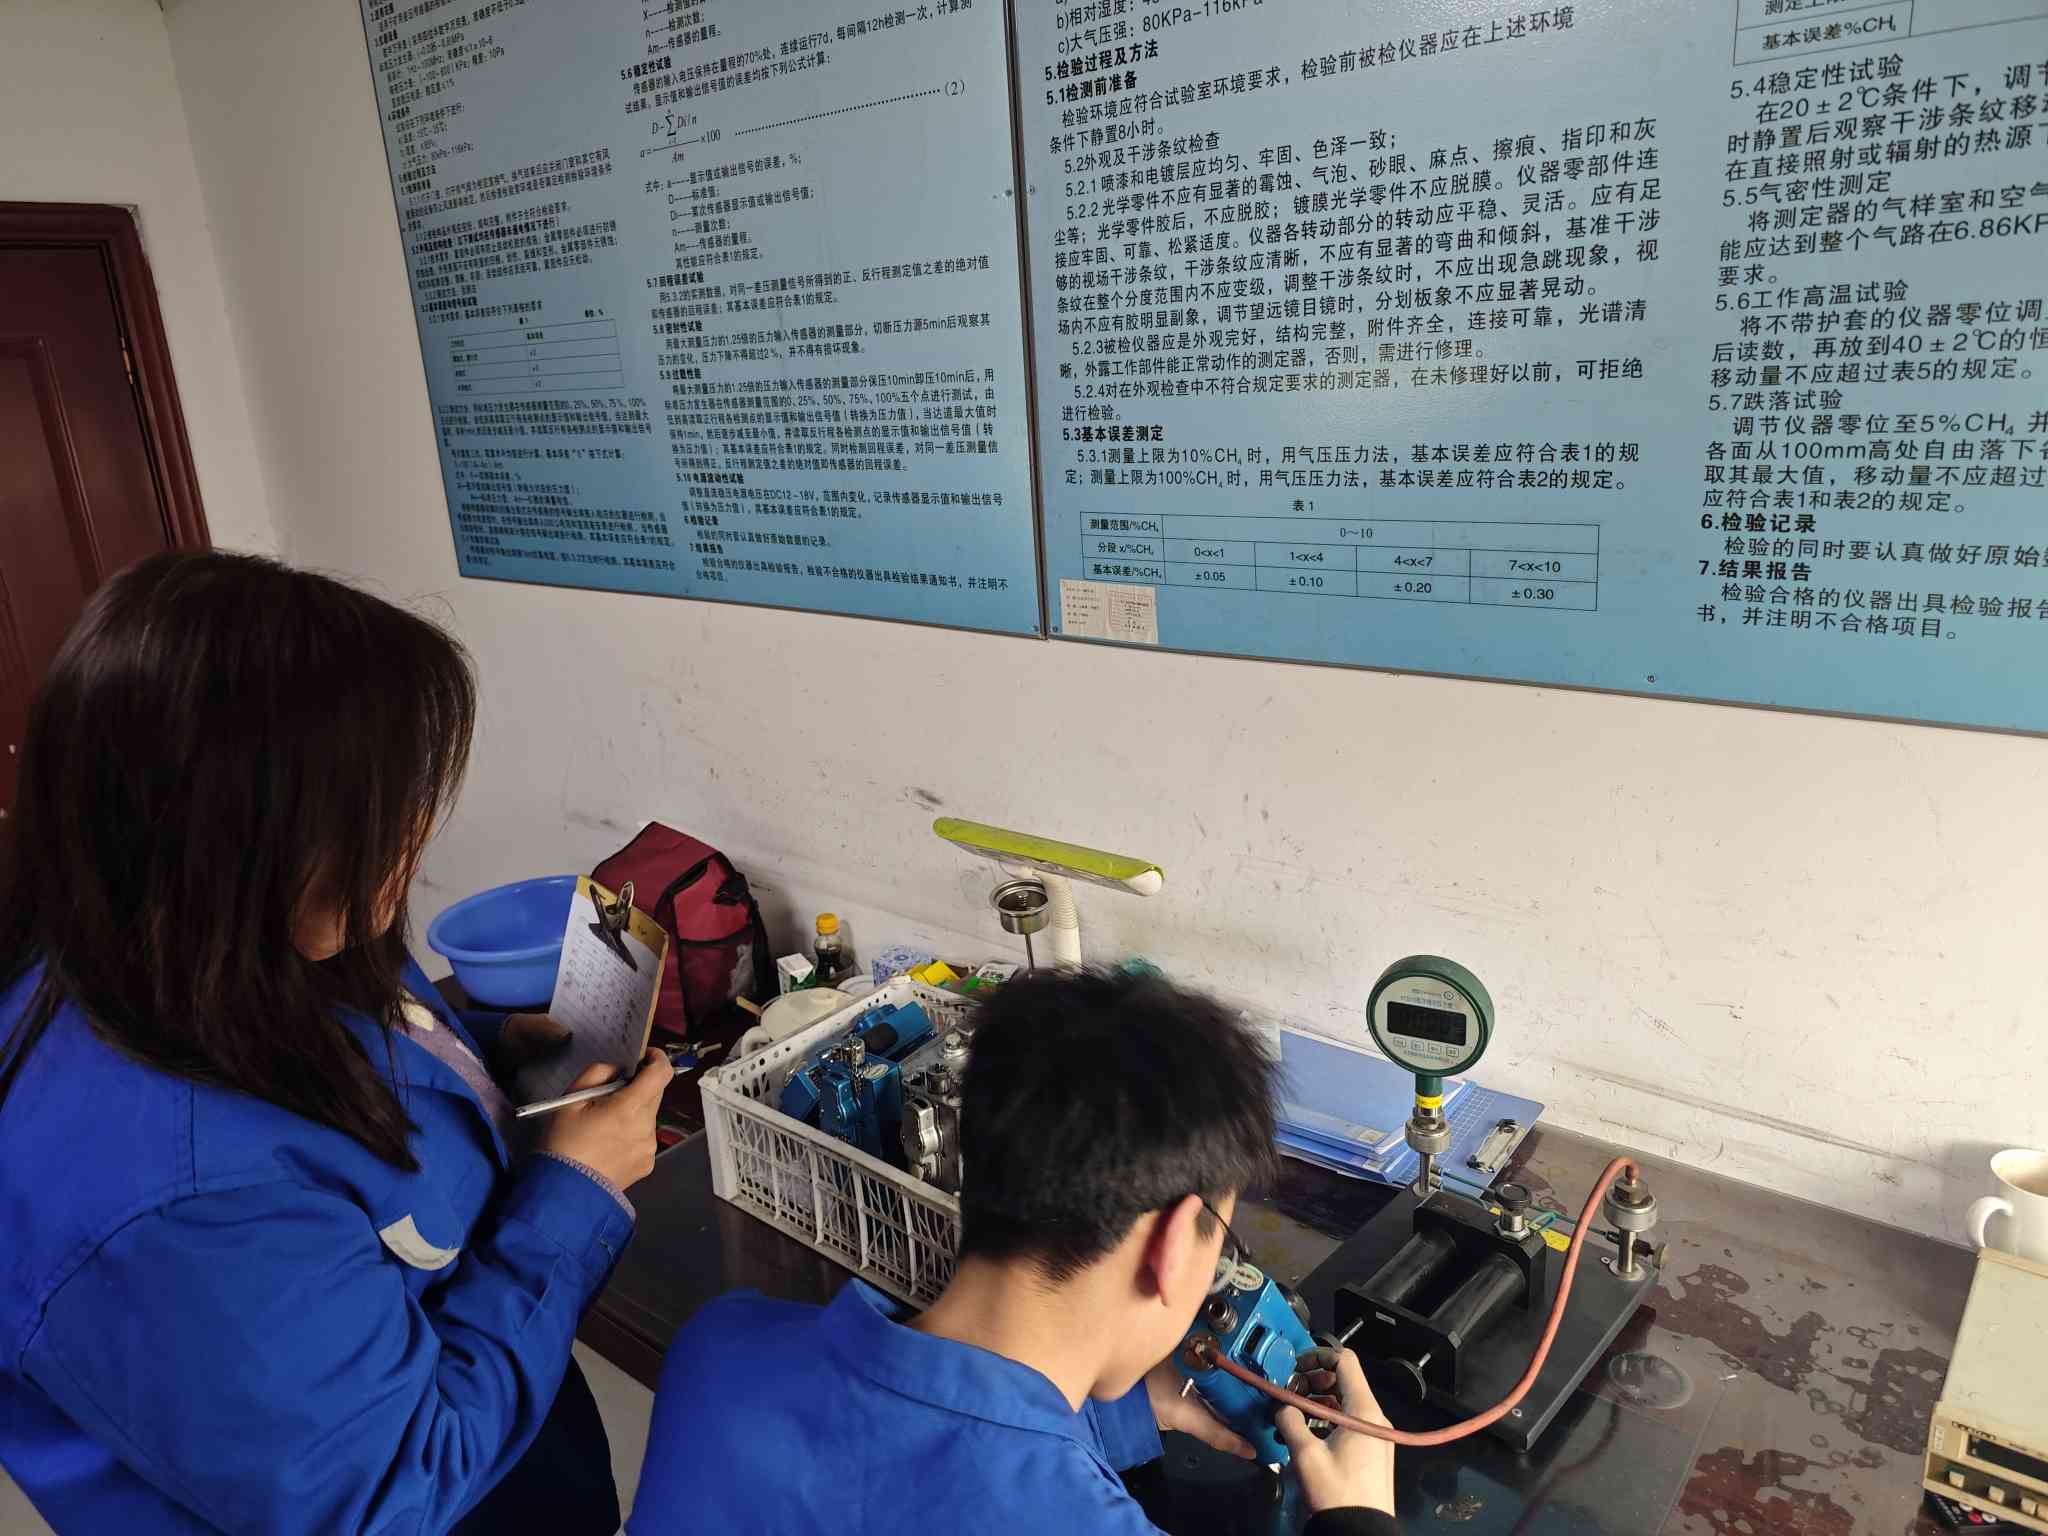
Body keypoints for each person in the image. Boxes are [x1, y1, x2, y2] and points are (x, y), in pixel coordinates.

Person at [0, 551, 673, 1534]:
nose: (415, 834)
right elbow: (391, 1491)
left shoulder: (201, 943)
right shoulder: (177, 1205)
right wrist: (575, 1193)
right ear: (224, 830)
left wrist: (484, 1052)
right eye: (370, 812)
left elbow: (347, 1058)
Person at [629, 968, 1399, 1535]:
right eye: (1221, 1239)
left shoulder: (718, 1347)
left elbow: (920, 1452)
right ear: (1169, 1247)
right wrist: (1360, 1521)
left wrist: (1124, 1411)